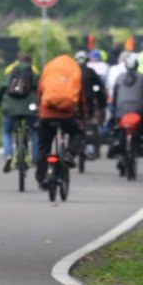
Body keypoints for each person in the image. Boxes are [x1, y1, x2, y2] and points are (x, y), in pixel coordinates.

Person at [35, 52, 88, 187]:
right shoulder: (74, 72)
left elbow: (40, 93)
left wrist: (39, 110)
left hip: (47, 115)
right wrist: (82, 116)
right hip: (67, 115)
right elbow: (81, 98)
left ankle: (41, 177)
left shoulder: (48, 71)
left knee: (44, 145)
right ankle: (69, 153)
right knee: (77, 133)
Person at [0, 52, 39, 173]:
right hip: (29, 109)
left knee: (6, 131)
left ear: (17, 62)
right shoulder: (33, 73)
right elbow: (40, 89)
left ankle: (8, 156)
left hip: (10, 108)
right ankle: (35, 158)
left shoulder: (10, 73)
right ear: (30, 63)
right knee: (35, 130)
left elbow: (1, 88)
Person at [109, 54, 143, 163]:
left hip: (121, 110)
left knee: (119, 127)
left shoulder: (119, 78)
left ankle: (120, 146)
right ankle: (141, 141)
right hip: (139, 109)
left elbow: (115, 96)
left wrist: (115, 107)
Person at [75, 50, 107, 158]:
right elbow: (100, 89)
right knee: (91, 126)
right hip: (88, 105)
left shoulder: (71, 72)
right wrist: (102, 104)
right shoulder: (91, 72)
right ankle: (91, 148)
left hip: (73, 105)